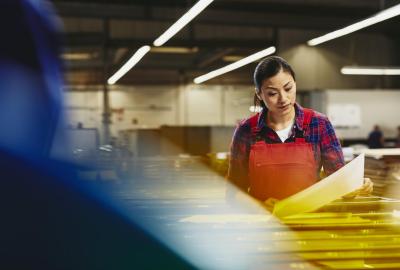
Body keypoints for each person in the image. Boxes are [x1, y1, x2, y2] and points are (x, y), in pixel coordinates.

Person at [227, 56, 372, 203]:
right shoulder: (246, 130)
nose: (283, 98)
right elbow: (233, 192)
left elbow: (339, 181)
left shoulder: (319, 124)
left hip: (309, 221)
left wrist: (356, 184)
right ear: (259, 94)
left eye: (288, 88)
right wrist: (260, 206)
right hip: (263, 223)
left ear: (295, 84)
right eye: (272, 93)